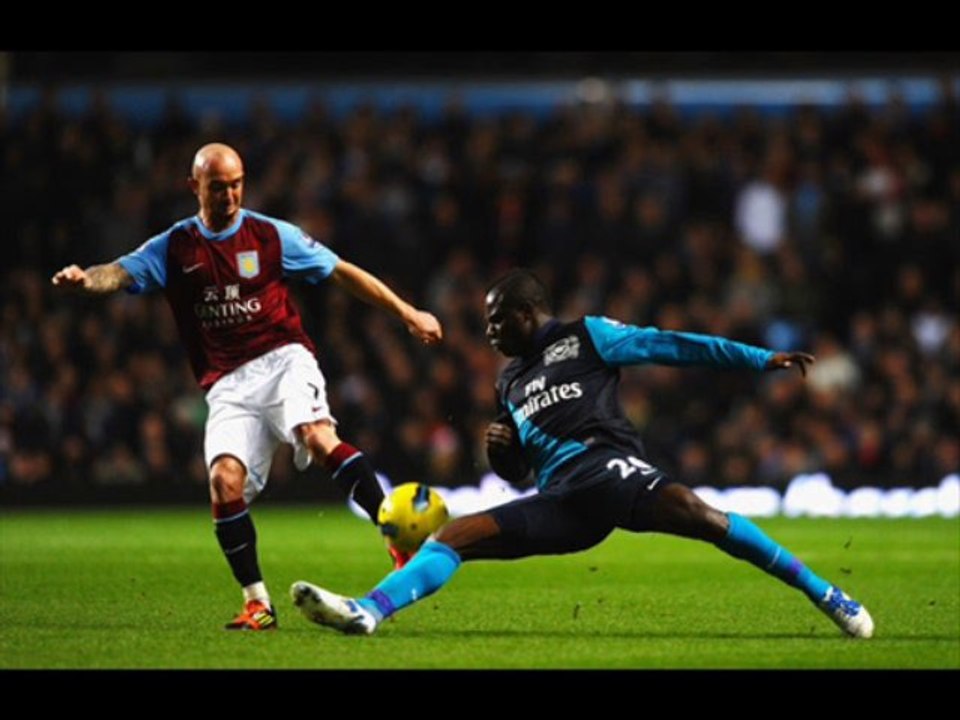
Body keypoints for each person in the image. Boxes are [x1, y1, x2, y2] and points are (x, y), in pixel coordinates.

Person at [290, 268, 874, 639]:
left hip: (610, 469)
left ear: (525, 313)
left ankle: (826, 593)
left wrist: (756, 358)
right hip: (563, 501)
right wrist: (502, 453)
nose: (490, 334)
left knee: (707, 519)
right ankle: (368, 610)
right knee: (452, 537)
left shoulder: (588, 336)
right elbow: (520, 472)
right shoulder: (510, 384)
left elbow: (670, 345)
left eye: (496, 322)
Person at [52, 142, 442, 631]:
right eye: (218, 187)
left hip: (284, 360)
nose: (230, 195)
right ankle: (258, 602)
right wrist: (86, 279)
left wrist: (407, 312)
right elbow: (119, 271)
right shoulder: (174, 247)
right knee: (223, 483)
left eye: (236, 184)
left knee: (317, 437)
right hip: (228, 386)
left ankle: (395, 539)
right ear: (194, 187)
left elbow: (341, 270)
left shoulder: (271, 236)